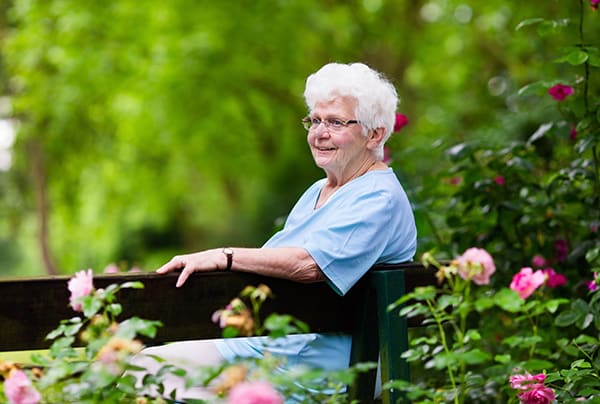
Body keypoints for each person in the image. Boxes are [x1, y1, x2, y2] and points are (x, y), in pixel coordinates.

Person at [134, 62, 417, 400]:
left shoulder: (378, 197)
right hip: (271, 347)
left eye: (336, 122)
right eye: (314, 120)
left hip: (318, 369)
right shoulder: (319, 191)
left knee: (154, 379)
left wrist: (223, 256)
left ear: (376, 134)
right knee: (146, 369)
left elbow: (310, 264)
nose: (318, 132)